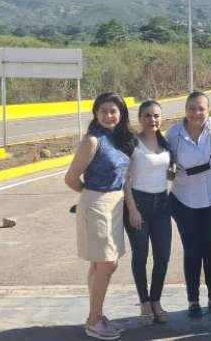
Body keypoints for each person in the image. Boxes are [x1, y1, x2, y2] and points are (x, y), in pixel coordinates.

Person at [65, 92, 134, 340]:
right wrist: (91, 196)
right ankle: (94, 320)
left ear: (121, 113)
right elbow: (71, 178)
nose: (108, 115)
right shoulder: (92, 141)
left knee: (98, 264)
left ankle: (95, 315)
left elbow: (125, 177)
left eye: (113, 111)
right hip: (96, 203)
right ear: (95, 113)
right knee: (108, 263)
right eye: (103, 110)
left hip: (115, 204)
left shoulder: (120, 139)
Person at [166, 91, 211, 318]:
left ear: (208, 110)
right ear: (185, 109)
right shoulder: (173, 133)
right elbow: (160, 159)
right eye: (191, 108)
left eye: (201, 109)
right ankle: (193, 300)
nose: (196, 113)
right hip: (184, 202)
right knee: (193, 251)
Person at [123, 100, 173, 326]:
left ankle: (156, 300)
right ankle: (144, 302)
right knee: (141, 257)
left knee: (162, 257)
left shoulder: (165, 143)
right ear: (140, 118)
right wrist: (132, 209)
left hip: (162, 205)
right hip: (138, 204)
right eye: (147, 116)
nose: (152, 120)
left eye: (156, 116)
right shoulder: (132, 143)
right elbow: (125, 179)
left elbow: (166, 171)